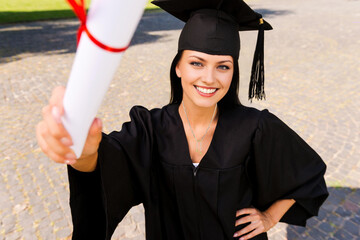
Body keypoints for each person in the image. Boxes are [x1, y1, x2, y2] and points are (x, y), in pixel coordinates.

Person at [36, 0, 328, 239]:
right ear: (178, 67)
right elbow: (104, 165)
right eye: (196, 63)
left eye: (223, 66)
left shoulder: (254, 127)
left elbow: (307, 172)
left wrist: (269, 217)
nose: (209, 78)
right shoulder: (150, 128)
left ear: (233, 72)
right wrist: (83, 151)